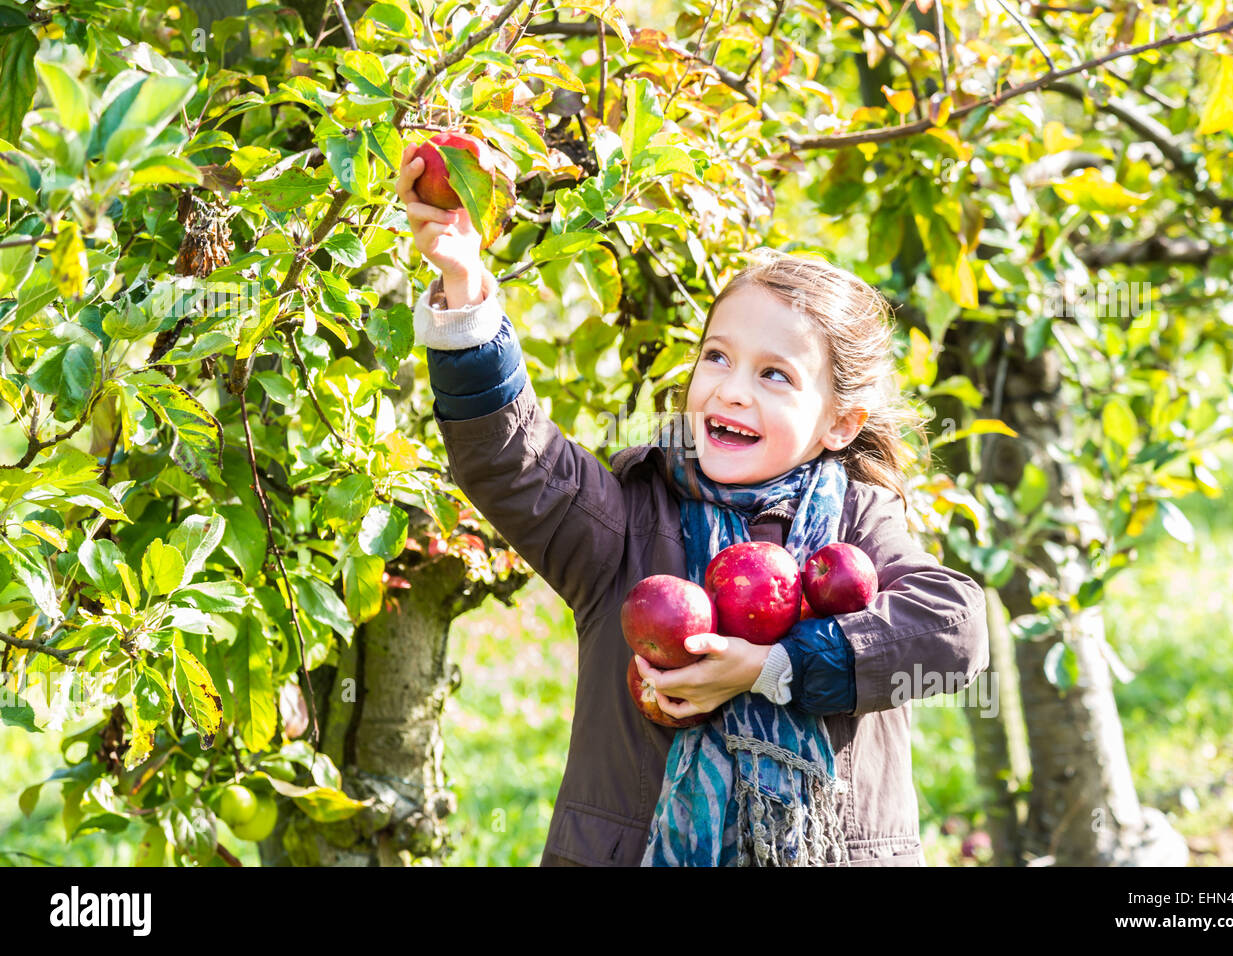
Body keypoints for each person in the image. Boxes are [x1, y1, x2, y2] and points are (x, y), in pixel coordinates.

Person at [398, 146, 990, 866]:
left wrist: (772, 666)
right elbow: (513, 462)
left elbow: (953, 629)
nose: (732, 389)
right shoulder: (631, 519)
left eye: (775, 374)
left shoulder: (856, 524)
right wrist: (465, 289)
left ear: (840, 422)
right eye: (717, 357)